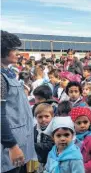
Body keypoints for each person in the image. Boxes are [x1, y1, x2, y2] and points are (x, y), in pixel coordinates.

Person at [1, 30, 35, 173]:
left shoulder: (7, 74)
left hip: (20, 143)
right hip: (10, 150)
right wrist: (12, 146)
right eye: (13, 49)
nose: (17, 53)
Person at [33, 103, 55, 173]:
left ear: (52, 116)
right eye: (40, 117)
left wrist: (32, 145)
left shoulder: (53, 130)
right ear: (36, 117)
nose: (43, 119)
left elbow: (49, 146)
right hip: (39, 159)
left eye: (46, 116)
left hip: (50, 160)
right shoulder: (35, 128)